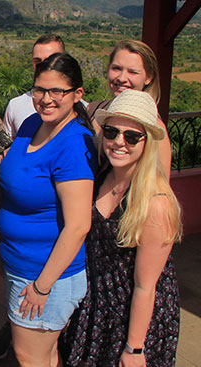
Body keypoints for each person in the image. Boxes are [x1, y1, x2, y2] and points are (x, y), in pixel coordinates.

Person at [61, 89, 182, 366]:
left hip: (133, 317)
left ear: (147, 143)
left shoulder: (155, 203)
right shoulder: (102, 175)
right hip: (98, 305)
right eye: (112, 132)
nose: (119, 142)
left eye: (131, 136)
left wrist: (135, 348)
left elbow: (145, 286)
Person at [0, 53, 96, 366]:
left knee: (29, 357)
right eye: (40, 90)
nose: (46, 99)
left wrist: (42, 286)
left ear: (77, 95)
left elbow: (78, 225)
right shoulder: (31, 124)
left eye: (57, 92)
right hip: (20, 264)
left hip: (45, 276)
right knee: (46, 354)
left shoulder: (73, 145)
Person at [87, 39, 172, 178]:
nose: (122, 78)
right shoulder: (94, 109)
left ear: (148, 77)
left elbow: (160, 185)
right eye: (117, 68)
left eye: (132, 72)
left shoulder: (154, 128)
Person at [3, 34, 66, 139]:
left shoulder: (83, 110)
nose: (43, 66)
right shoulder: (15, 106)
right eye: (37, 61)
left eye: (50, 60)